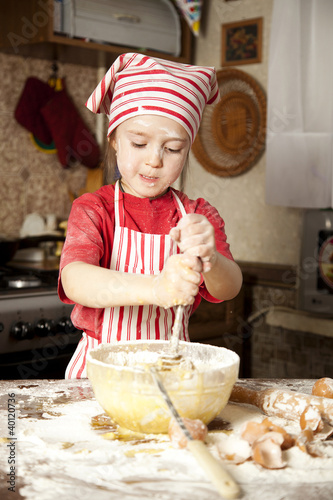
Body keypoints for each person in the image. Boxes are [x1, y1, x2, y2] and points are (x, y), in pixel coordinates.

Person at [59, 53, 243, 379]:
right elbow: (75, 281)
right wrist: (156, 287)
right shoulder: (94, 208)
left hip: (171, 372)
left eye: (172, 149)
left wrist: (210, 256)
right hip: (98, 375)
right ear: (114, 139)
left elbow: (229, 288)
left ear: (187, 151)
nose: (155, 160)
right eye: (139, 143)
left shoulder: (197, 215)